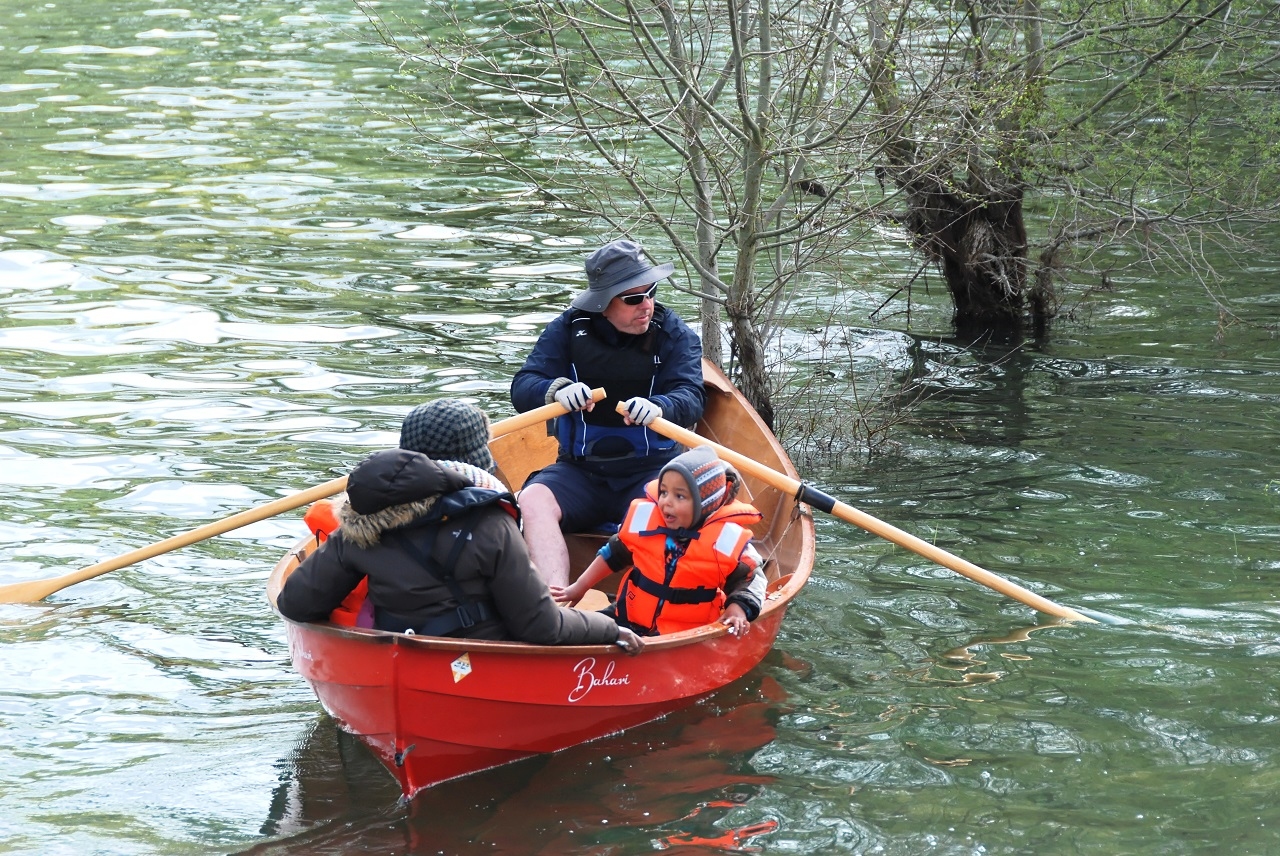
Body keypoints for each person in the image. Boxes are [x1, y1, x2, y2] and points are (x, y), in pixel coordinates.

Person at [276, 398, 645, 654]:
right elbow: (541, 627)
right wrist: (609, 628)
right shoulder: (492, 521)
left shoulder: (363, 521)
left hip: (393, 650)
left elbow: (295, 603)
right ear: (479, 460)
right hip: (482, 659)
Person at [511, 238, 705, 587]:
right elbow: (524, 386)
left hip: (652, 471)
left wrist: (662, 406)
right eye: (633, 298)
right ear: (603, 304)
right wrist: (553, 390)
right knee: (533, 499)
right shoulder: (567, 330)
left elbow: (691, 396)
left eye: (652, 292)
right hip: (579, 471)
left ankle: (644, 603)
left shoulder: (675, 334)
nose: (646, 305)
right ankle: (553, 602)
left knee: (663, 513)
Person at [551, 445, 767, 638]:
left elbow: (751, 580)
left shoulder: (727, 541)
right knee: (576, 630)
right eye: (663, 492)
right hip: (627, 617)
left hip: (683, 636)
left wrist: (737, 610)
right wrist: (579, 587)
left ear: (705, 504)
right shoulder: (647, 523)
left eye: (679, 496)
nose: (666, 502)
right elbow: (613, 554)